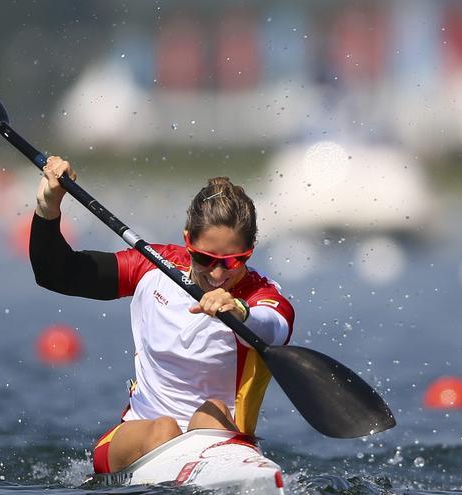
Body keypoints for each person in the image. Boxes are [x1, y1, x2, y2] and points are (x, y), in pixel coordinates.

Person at [29, 156, 295, 474]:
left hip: (221, 443)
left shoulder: (261, 296)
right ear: (187, 240)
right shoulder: (153, 266)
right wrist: (48, 206)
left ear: (249, 251)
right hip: (135, 441)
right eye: (204, 258)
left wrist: (239, 311)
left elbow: (274, 329)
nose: (217, 273)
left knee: (211, 413)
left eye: (232, 261)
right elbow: (56, 273)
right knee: (164, 429)